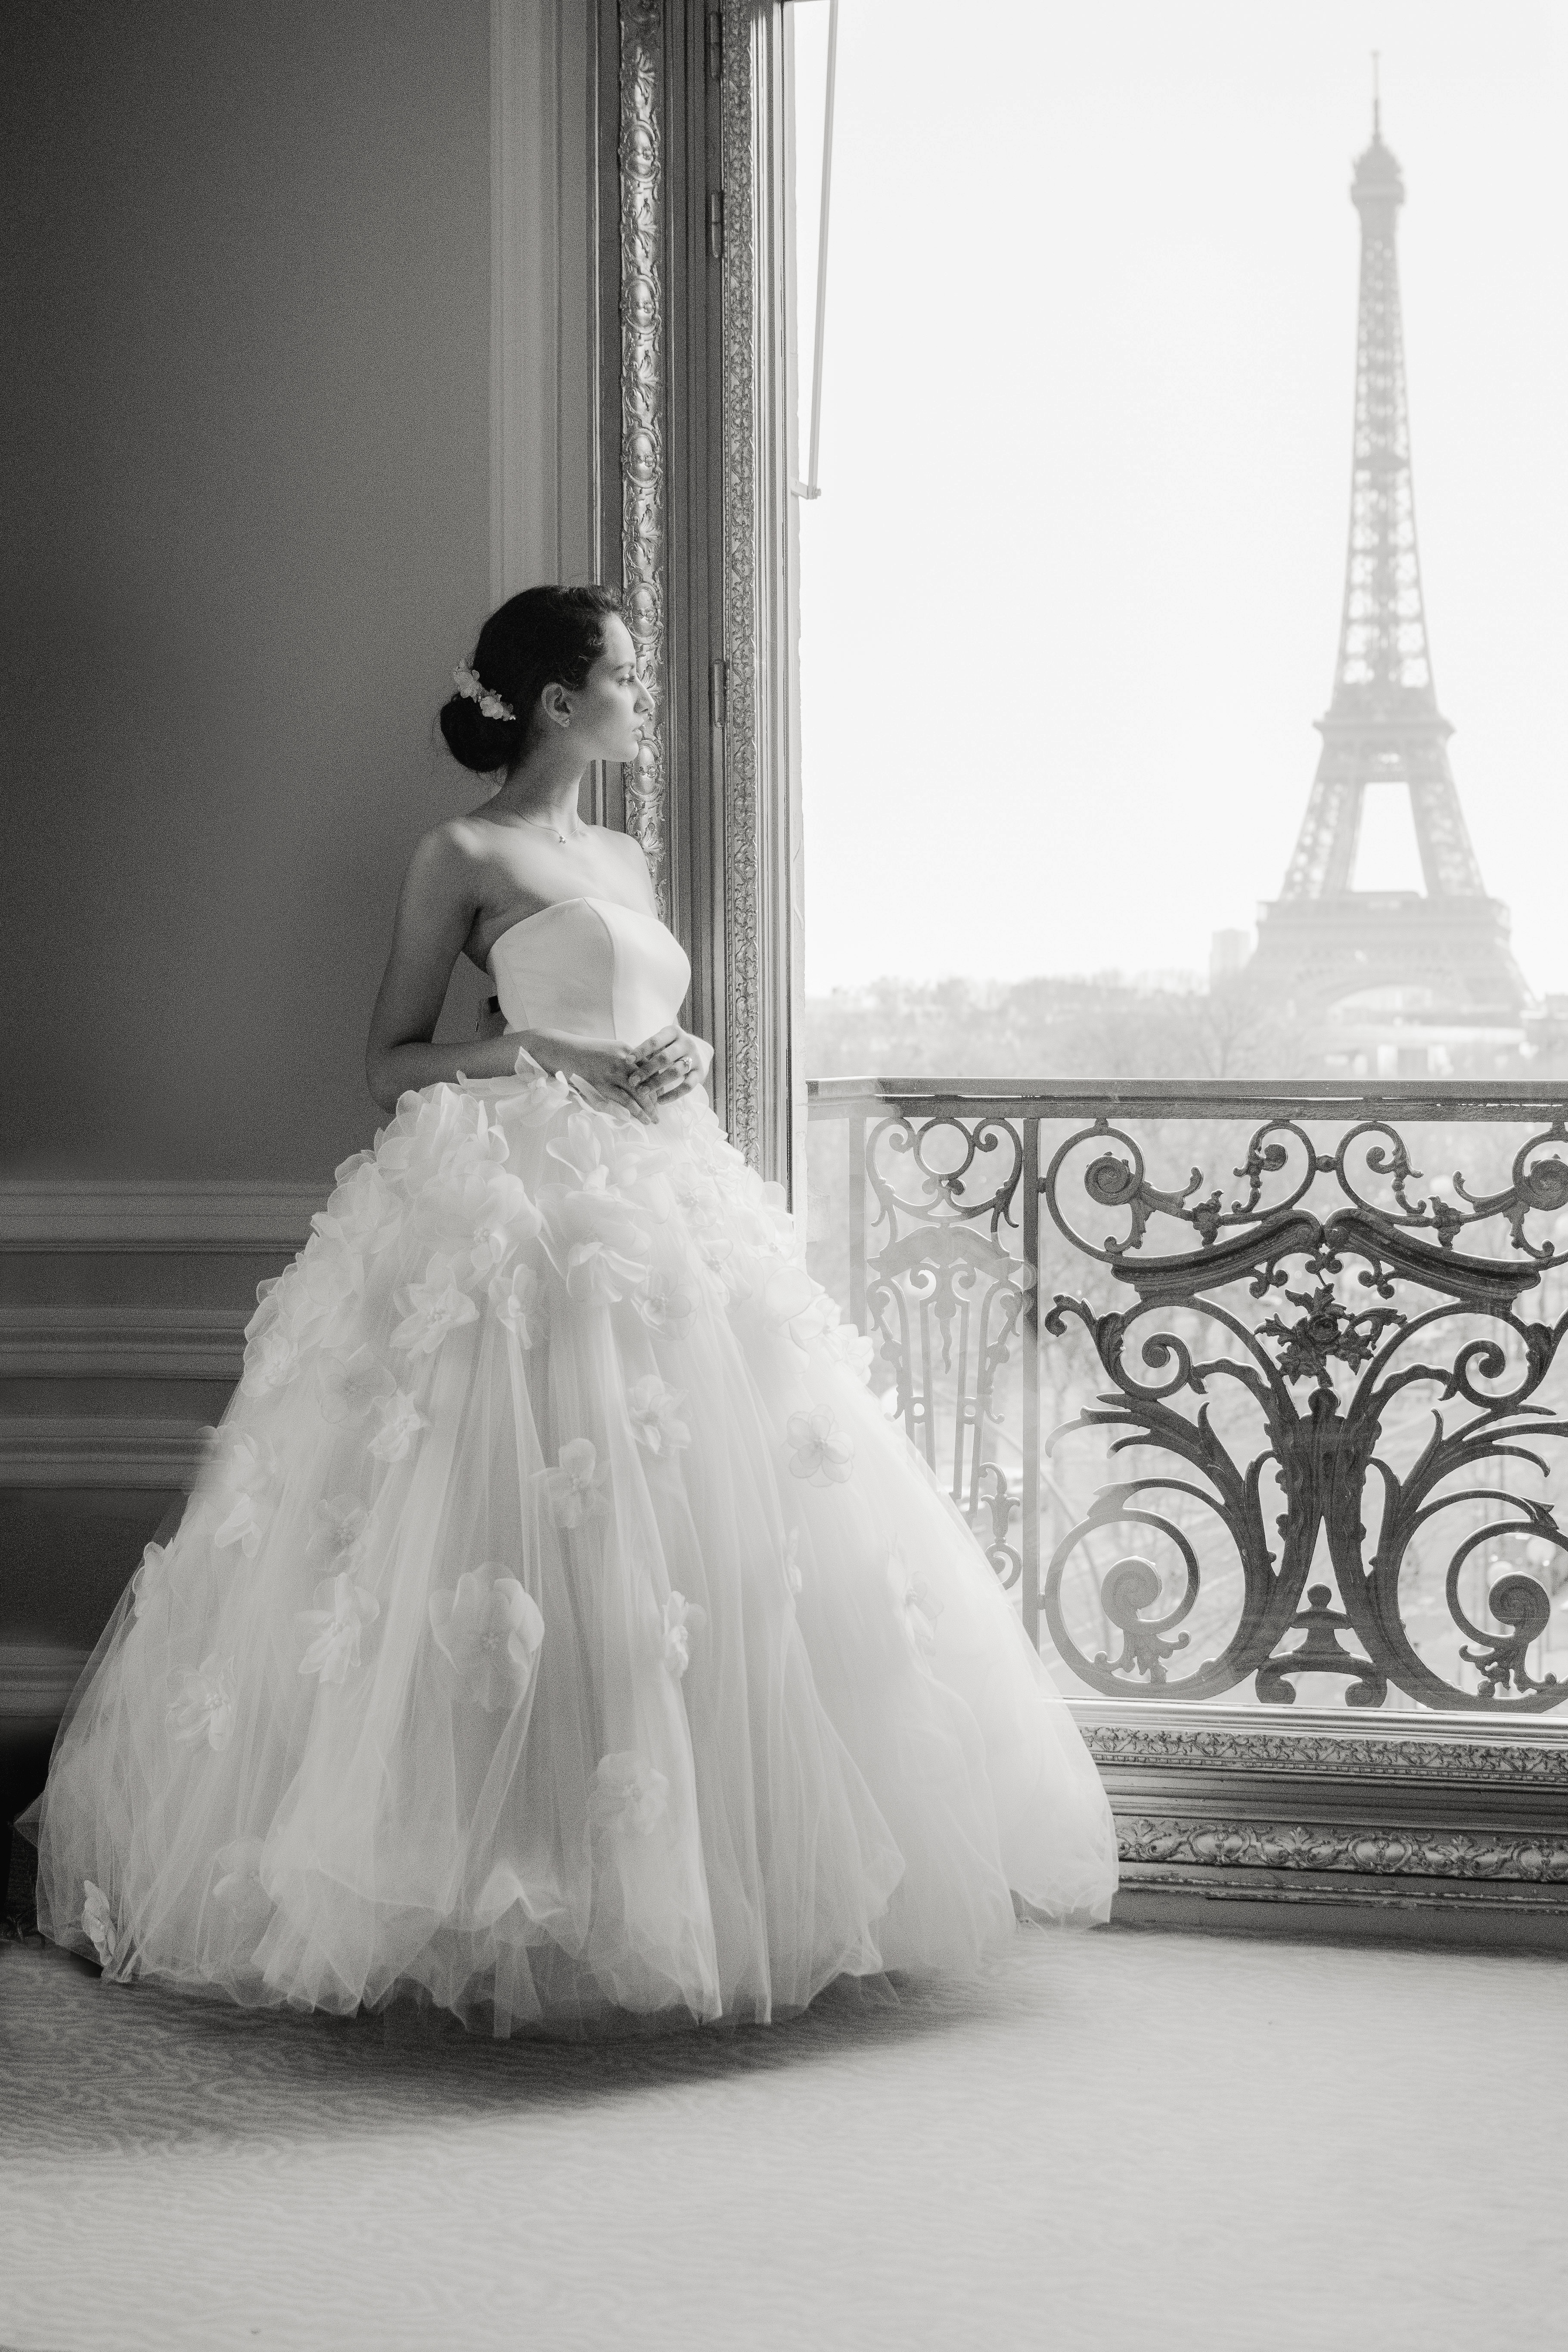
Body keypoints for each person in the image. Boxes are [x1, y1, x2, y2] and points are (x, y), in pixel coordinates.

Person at [29, 585, 1118, 2033]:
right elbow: (389, 1062)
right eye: (623, 673)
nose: (642, 693)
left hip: (654, 1192)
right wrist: (533, 1045)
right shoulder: (460, 852)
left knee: (697, 1537)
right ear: (555, 703)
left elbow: (638, 1016)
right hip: (513, 1198)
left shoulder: (618, 850)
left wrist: (673, 1055)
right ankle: (489, 1883)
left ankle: (672, 1880)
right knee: (495, 1527)